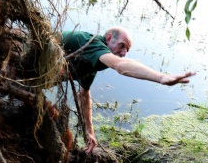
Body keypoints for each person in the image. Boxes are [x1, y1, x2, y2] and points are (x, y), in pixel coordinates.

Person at [61, 27, 195, 153]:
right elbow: (120, 65)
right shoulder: (93, 44)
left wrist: (89, 131)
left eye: (127, 50)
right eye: (122, 45)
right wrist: (161, 78)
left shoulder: (92, 59)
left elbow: (84, 94)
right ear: (109, 38)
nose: (124, 53)